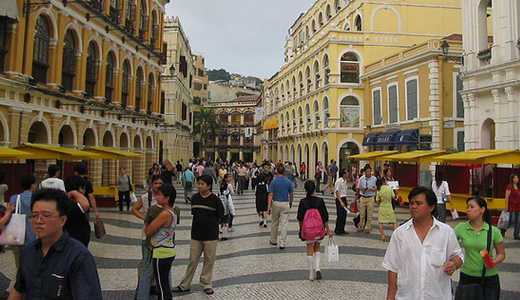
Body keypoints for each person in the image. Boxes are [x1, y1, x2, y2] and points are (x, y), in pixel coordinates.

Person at [7, 188, 102, 300]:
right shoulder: (28, 251)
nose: (38, 221)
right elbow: (19, 289)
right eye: (34, 215)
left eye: (46, 216)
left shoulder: (78, 256)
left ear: (62, 220)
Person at [382, 186, 463, 300]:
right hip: (407, 296)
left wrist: (454, 264)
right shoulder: (400, 234)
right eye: (411, 203)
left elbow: (458, 256)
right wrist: (390, 297)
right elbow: (393, 268)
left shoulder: (446, 232)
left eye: (419, 203)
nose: (414, 206)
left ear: (431, 207)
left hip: (437, 296)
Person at [173, 175, 224, 295]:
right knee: (192, 260)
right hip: (196, 233)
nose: (199, 186)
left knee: (209, 260)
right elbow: (194, 213)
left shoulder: (215, 200)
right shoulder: (195, 198)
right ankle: (184, 284)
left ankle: (206, 284)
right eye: (199, 183)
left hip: (211, 235)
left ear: (209, 186)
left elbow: (220, 215)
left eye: (202, 184)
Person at [454, 197, 506, 300]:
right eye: (467, 207)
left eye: (472, 207)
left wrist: (494, 261)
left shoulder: (493, 231)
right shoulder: (461, 228)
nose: (468, 209)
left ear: (482, 209)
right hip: (467, 276)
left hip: (489, 278)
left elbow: (502, 254)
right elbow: (448, 244)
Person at [131, 175, 164, 300]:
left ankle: (152, 286)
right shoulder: (146, 198)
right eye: (156, 183)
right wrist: (144, 218)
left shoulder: (165, 198)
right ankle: (141, 292)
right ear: (151, 184)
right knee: (147, 264)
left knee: (157, 266)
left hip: (161, 236)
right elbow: (134, 209)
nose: (158, 185)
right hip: (147, 236)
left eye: (160, 183)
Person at [144, 183, 178, 300]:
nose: (157, 197)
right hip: (168, 250)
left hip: (161, 252)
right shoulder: (173, 212)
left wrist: (148, 222)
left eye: (159, 195)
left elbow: (148, 230)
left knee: (162, 286)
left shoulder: (164, 214)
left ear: (167, 198)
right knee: (164, 283)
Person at [297, 180, 334, 281]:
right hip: (318, 229)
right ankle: (318, 268)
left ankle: (311, 273)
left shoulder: (303, 202)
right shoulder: (320, 201)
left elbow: (300, 218)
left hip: (308, 231)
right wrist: (329, 230)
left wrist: (301, 230)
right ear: (314, 189)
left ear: (305, 189)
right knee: (317, 246)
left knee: (309, 248)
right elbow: (325, 217)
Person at [268, 165, 294, 249]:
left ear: (277, 172)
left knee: (274, 222)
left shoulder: (273, 182)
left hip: (275, 203)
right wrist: (290, 202)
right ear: (284, 172)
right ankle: (282, 242)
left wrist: (269, 206)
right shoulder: (288, 182)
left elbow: (271, 194)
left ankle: (273, 240)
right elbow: (291, 194)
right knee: (284, 224)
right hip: (285, 203)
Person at [64, 175, 91, 247]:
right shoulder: (71, 206)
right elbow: (85, 205)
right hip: (76, 242)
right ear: (80, 188)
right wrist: (74, 192)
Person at [375, 177, 398, 242]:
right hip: (389, 206)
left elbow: (377, 200)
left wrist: (380, 203)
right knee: (394, 221)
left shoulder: (379, 190)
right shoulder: (389, 188)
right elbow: (393, 197)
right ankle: (396, 235)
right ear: (384, 182)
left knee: (380, 222)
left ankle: (382, 235)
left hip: (382, 207)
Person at [357, 166, 377, 233]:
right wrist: (361, 189)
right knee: (362, 213)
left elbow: (377, 188)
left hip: (370, 197)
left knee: (369, 213)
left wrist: (370, 189)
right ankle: (361, 226)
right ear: (365, 172)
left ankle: (368, 227)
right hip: (363, 196)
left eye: (370, 171)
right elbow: (358, 187)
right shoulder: (361, 178)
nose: (369, 173)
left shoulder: (374, 179)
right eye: (368, 171)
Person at [501, 173, 520, 239]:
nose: (516, 179)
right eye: (515, 178)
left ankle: (516, 234)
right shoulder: (509, 187)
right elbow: (507, 196)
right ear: (512, 179)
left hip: (518, 206)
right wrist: (506, 206)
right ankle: (503, 229)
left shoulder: (518, 187)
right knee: (512, 220)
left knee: (518, 220)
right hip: (512, 205)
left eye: (517, 178)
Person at [219, 174, 236, 240]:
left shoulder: (220, 192)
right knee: (227, 218)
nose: (230, 178)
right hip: (227, 205)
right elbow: (232, 193)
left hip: (222, 206)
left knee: (222, 218)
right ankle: (228, 229)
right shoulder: (229, 186)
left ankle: (221, 229)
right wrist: (233, 212)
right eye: (229, 177)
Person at [334, 169, 350, 235]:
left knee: (344, 214)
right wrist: (341, 201)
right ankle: (337, 229)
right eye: (346, 173)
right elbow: (337, 191)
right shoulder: (339, 181)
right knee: (340, 214)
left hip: (344, 198)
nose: (347, 174)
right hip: (339, 198)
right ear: (343, 174)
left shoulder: (345, 181)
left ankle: (342, 229)